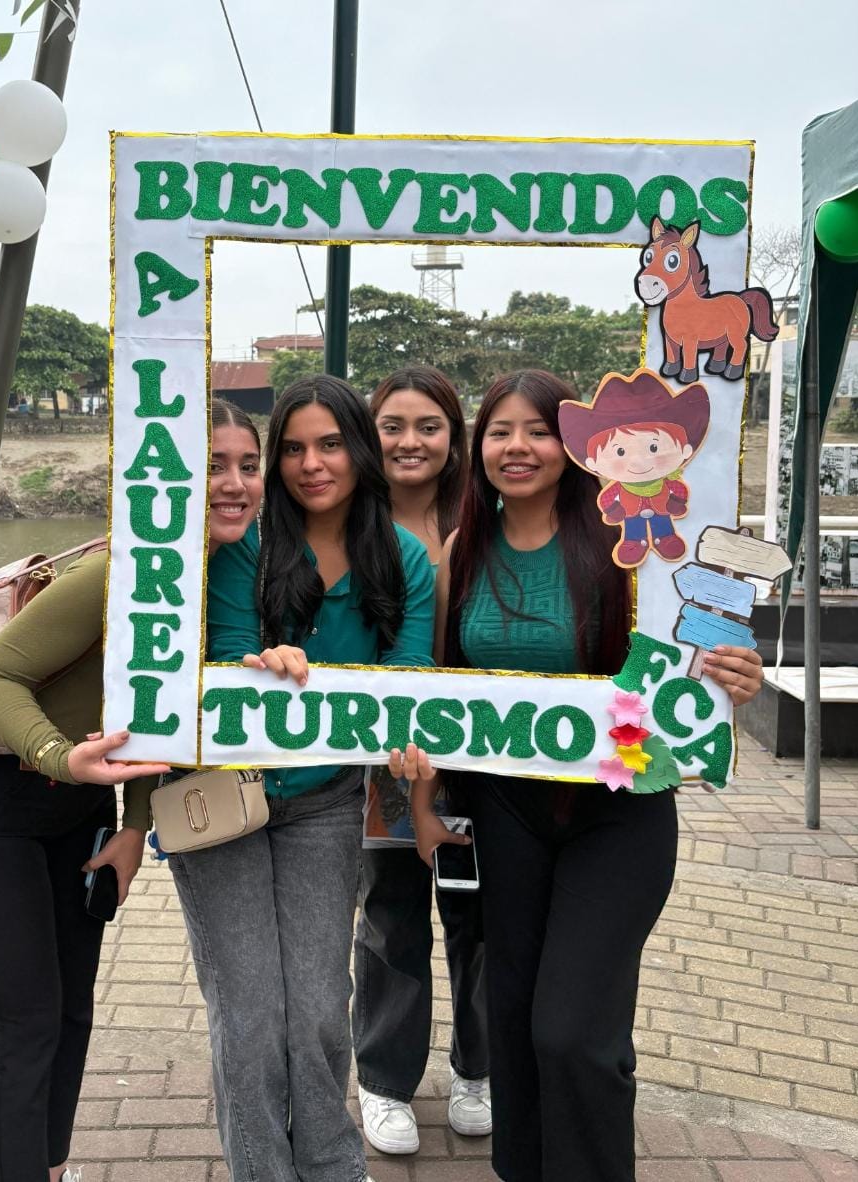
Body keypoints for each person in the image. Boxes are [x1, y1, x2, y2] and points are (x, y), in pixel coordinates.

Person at [393, 369, 765, 1182]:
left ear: (574, 445)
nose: (517, 448)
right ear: (477, 447)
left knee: (574, 1033)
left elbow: (696, 650)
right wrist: (423, 804)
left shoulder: (627, 548)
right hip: (506, 814)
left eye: (538, 431)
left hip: (619, 813)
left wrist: (733, 672)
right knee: (518, 1020)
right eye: (499, 432)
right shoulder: (462, 549)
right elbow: (438, 688)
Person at [0, 398, 263, 1182]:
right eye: (211, 466)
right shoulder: (116, 572)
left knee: (71, 1010)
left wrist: (132, 826)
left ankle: (48, 1167)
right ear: (168, 480)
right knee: (21, 1024)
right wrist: (59, 755)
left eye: (248, 467)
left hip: (80, 814)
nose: (234, 484)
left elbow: (157, 719)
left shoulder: (215, 578)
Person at [194, 374, 436, 1182]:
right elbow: (224, 656)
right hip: (223, 800)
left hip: (327, 804)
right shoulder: (247, 547)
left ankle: (332, 1164)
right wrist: (258, 663)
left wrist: (407, 757)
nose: (311, 464)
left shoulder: (403, 558)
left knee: (320, 1007)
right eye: (293, 448)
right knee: (250, 1012)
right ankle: (263, 1170)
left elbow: (407, 682)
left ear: (359, 450)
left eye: (330, 444)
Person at [353, 365, 490, 1154]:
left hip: (488, 753)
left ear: (454, 437)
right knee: (391, 915)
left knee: (482, 914)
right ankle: (384, 1081)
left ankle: (479, 1068)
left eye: (429, 426)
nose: (411, 441)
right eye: (393, 426)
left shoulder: (491, 516)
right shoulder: (348, 521)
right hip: (387, 758)